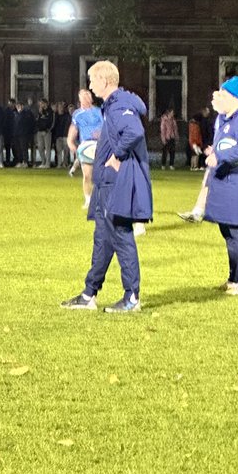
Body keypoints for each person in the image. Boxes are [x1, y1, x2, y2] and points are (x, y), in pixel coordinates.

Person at [61, 61, 152, 313]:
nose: (90, 85)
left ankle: (132, 298)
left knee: (121, 236)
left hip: (116, 183)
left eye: (92, 80)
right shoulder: (112, 105)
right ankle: (89, 294)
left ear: (105, 80)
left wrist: (116, 156)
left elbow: (134, 132)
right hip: (106, 182)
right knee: (102, 238)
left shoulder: (119, 104)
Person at [203, 76, 238, 294]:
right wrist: (214, 152)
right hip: (224, 180)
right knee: (227, 230)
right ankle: (234, 277)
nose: (219, 97)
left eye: (223, 94)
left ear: (233, 97)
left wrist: (221, 156)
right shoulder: (226, 120)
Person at [67, 88, 104, 209]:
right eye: (83, 96)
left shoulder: (99, 112)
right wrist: (71, 143)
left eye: (87, 96)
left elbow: (106, 127)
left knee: (101, 175)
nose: (85, 98)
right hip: (86, 146)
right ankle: (88, 199)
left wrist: (100, 133)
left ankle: (102, 199)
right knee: (87, 175)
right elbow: (73, 130)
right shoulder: (77, 114)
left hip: (100, 145)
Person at [15, 100, 35, 168]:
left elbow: (29, 123)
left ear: (22, 106)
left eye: (19, 106)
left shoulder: (26, 114)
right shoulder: (17, 114)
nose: (18, 107)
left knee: (24, 148)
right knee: (19, 149)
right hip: (18, 134)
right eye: (17, 106)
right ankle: (21, 161)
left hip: (24, 134)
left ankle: (25, 161)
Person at [34, 99, 54, 167]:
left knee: (47, 148)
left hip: (47, 132)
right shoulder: (39, 111)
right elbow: (37, 120)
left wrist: (48, 130)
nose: (41, 105)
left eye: (42, 103)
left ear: (46, 103)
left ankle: (47, 163)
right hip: (39, 132)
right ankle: (43, 161)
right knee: (40, 147)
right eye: (40, 103)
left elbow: (51, 122)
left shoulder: (50, 111)